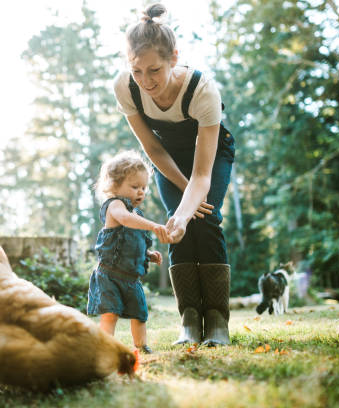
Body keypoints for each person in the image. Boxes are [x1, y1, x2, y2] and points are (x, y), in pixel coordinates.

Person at [113, 3, 235, 346]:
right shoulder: (125, 88)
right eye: (137, 71)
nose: (146, 81)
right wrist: (182, 209)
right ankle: (189, 320)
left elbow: (201, 174)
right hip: (167, 158)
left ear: (173, 57)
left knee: (206, 219)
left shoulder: (202, 89)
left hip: (211, 156)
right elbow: (152, 150)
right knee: (175, 225)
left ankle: (217, 322)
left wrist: (192, 204)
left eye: (154, 70)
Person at [87, 150, 169, 354]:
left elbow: (134, 241)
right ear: (115, 186)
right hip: (110, 274)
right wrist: (152, 226)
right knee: (110, 313)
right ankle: (105, 347)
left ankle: (141, 346)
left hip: (131, 277)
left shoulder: (137, 214)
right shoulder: (115, 205)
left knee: (139, 313)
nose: (141, 192)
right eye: (134, 187)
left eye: (144, 187)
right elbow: (124, 219)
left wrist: (147, 254)